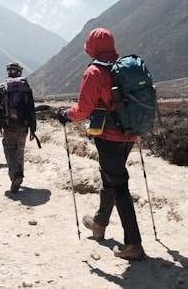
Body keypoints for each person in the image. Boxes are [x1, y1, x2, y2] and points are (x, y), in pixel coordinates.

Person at [57, 28, 145, 261]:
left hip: (109, 136)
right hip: (129, 134)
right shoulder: (124, 69)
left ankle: (133, 244)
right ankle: (99, 224)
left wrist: (65, 114)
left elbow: (83, 109)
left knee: (119, 186)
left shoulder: (95, 72)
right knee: (111, 179)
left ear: (92, 47)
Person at [0, 62, 37, 193]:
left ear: (8, 72)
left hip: (8, 125)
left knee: (9, 150)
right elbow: (31, 109)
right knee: (20, 151)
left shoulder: (2, 88)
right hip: (23, 126)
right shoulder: (26, 87)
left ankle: (15, 175)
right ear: (20, 72)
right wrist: (33, 129)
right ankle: (19, 177)